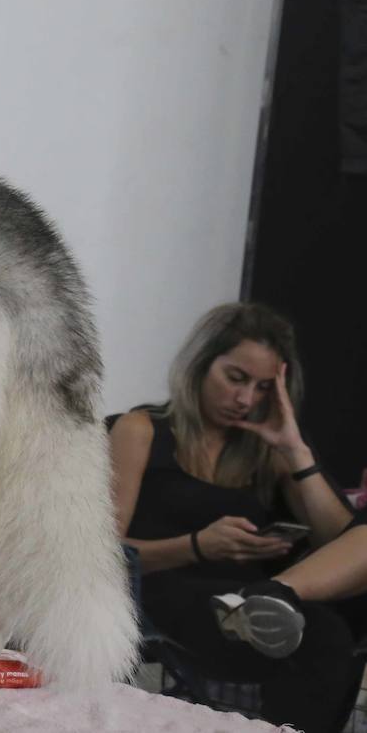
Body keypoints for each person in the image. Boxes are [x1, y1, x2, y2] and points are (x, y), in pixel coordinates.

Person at [109, 302, 362, 733]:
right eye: (236, 378)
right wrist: (196, 546)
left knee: (323, 631)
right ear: (200, 366)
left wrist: (295, 450)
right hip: (161, 596)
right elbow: (105, 557)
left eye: (264, 387)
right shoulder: (141, 430)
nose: (246, 399)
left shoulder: (268, 451)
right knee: (321, 636)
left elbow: (347, 543)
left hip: (257, 601)